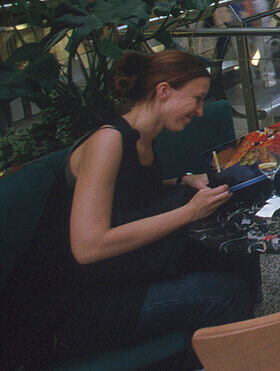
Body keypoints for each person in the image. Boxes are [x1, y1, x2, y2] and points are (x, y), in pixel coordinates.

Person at [35, 50, 256, 361]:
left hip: (117, 278)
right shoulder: (108, 141)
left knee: (236, 260)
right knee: (226, 294)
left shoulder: (142, 138)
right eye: (196, 99)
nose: (200, 111)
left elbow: (123, 192)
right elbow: (87, 246)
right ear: (164, 91)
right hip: (80, 304)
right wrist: (188, 213)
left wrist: (182, 181)